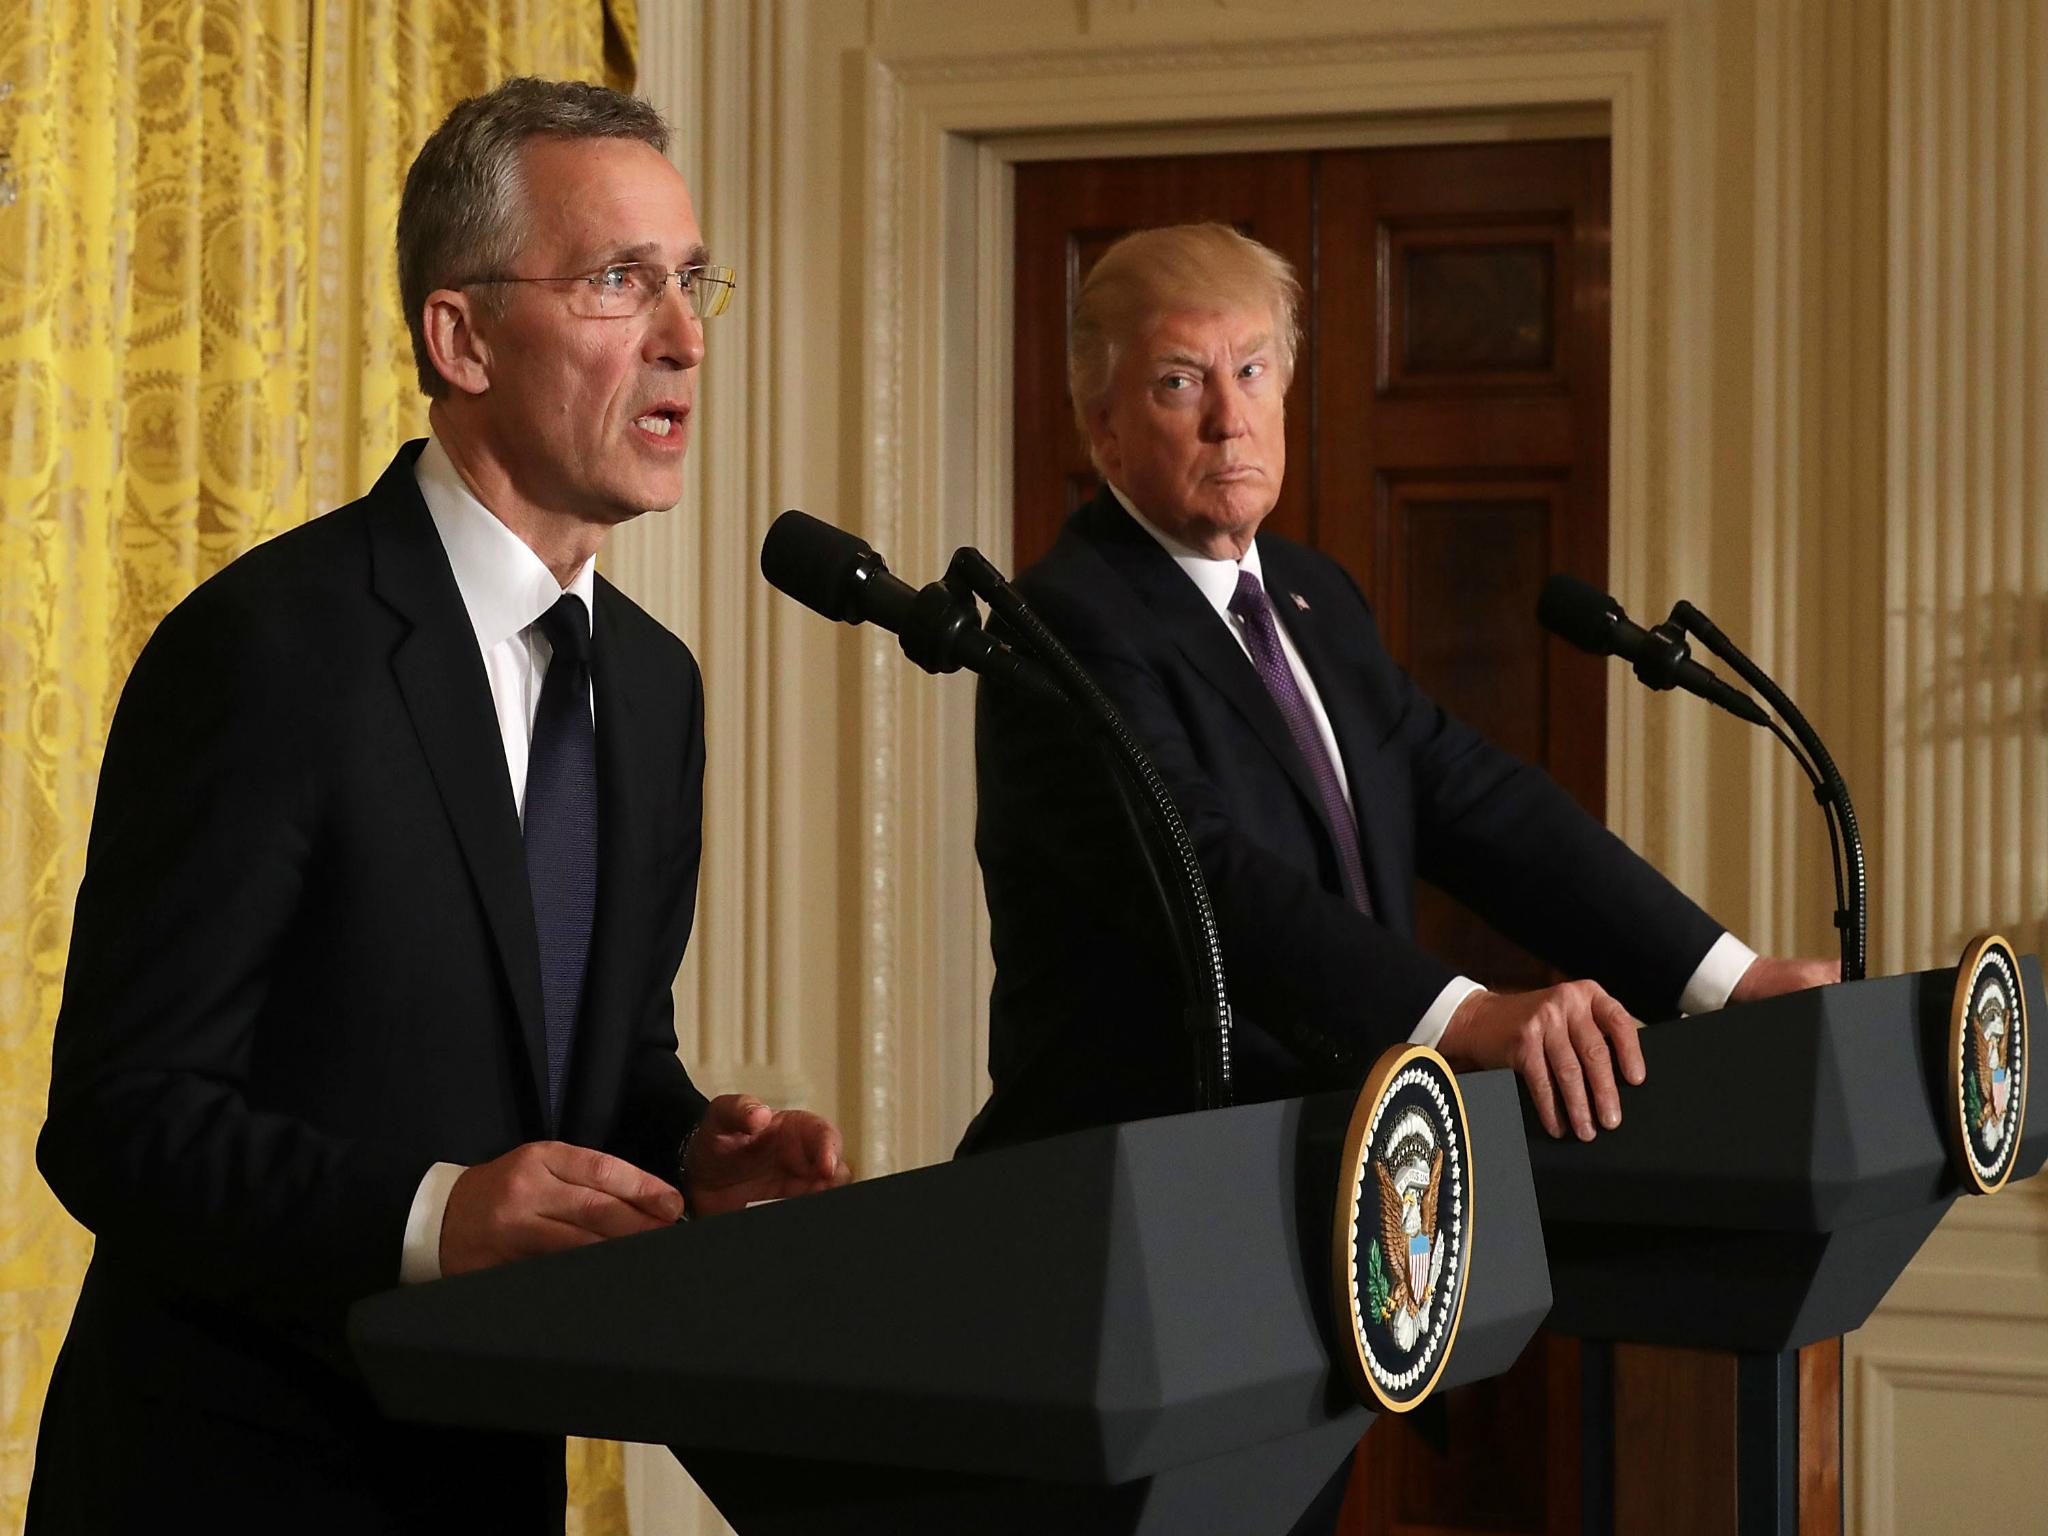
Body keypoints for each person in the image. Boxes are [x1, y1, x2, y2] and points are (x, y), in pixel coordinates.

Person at [29, 78, 847, 1533]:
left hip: (486, 1473)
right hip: (231, 1478)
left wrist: (686, 1155)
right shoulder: (274, 648)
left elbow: (590, 1065)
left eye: (691, 279)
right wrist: (430, 1217)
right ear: (457, 336)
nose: (685, 337)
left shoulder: (654, 692)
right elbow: (120, 1121)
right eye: (619, 281)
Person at [964, 221, 1836, 1159]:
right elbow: (1204, 877)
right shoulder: (1059, 625)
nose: (1230, 417)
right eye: (1180, 382)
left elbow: (1474, 799)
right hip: (1138, 1183)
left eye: (1252, 372)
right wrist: (1467, 1019)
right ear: (1104, 426)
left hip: (1340, 1165)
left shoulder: (1315, 598)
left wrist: (1728, 981)